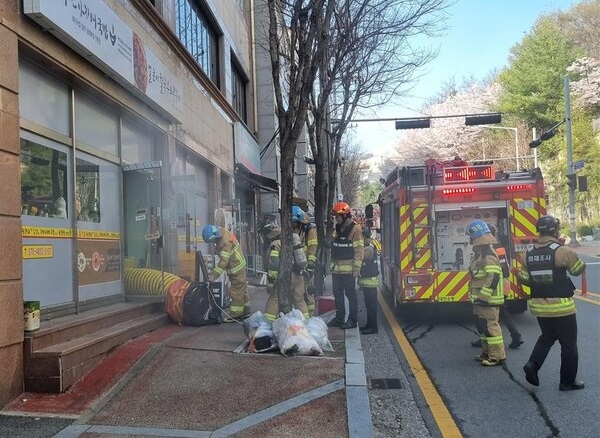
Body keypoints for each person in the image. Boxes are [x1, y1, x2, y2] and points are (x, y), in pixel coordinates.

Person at [514, 215, 586, 391]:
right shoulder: (562, 251)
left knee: (547, 337)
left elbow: (525, 279)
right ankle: (567, 381)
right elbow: (577, 270)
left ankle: (532, 364)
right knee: (568, 344)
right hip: (562, 308)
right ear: (555, 230)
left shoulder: (528, 254)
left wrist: (516, 273)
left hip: (540, 307)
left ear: (539, 231)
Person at [471, 224, 523, 349]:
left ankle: (514, 336)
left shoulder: (487, 251)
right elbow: (505, 266)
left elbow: (493, 272)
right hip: (503, 282)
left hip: (496, 285)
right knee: (501, 312)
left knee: (493, 314)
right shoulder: (499, 248)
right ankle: (513, 336)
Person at [465, 219, 506, 366]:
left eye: (471, 236)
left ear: (476, 236)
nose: (469, 239)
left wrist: (483, 297)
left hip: (488, 300)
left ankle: (496, 356)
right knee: (483, 328)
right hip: (481, 300)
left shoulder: (488, 254)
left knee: (490, 327)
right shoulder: (481, 253)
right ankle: (487, 352)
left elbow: (493, 277)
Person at [263, 211, 309, 322]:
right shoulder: (291, 240)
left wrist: (271, 280)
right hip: (298, 275)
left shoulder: (276, 243)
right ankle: (306, 323)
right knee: (299, 300)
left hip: (286, 275)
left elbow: (274, 264)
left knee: (274, 299)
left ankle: (267, 325)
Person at [202, 224, 250, 323]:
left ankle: (236, 315)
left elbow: (224, 261)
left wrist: (213, 276)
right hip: (240, 265)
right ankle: (246, 311)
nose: (213, 243)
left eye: (212, 241)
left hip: (236, 268)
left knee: (236, 291)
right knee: (242, 290)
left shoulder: (223, 243)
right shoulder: (222, 231)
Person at [328, 201, 364, 329]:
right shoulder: (338, 228)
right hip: (336, 270)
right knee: (337, 294)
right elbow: (336, 246)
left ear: (344, 216)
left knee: (350, 295)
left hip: (349, 271)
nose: (335, 219)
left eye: (337, 216)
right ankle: (339, 319)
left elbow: (359, 250)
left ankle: (352, 320)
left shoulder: (355, 229)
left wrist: (356, 268)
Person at [359, 226, 379, 335]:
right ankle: (369, 325)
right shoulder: (369, 245)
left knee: (371, 307)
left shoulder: (368, 249)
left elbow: (359, 256)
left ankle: (373, 328)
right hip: (368, 282)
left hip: (369, 283)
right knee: (369, 306)